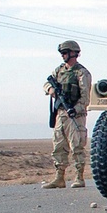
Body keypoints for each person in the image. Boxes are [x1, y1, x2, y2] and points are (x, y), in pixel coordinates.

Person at [43, 40, 91, 189]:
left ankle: (79, 177)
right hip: (61, 114)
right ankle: (59, 177)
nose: (63, 56)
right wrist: (51, 90)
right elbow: (46, 84)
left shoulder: (81, 72)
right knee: (58, 146)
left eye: (65, 53)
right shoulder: (59, 71)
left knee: (77, 146)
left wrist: (75, 109)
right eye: (62, 53)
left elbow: (85, 98)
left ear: (73, 53)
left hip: (75, 115)